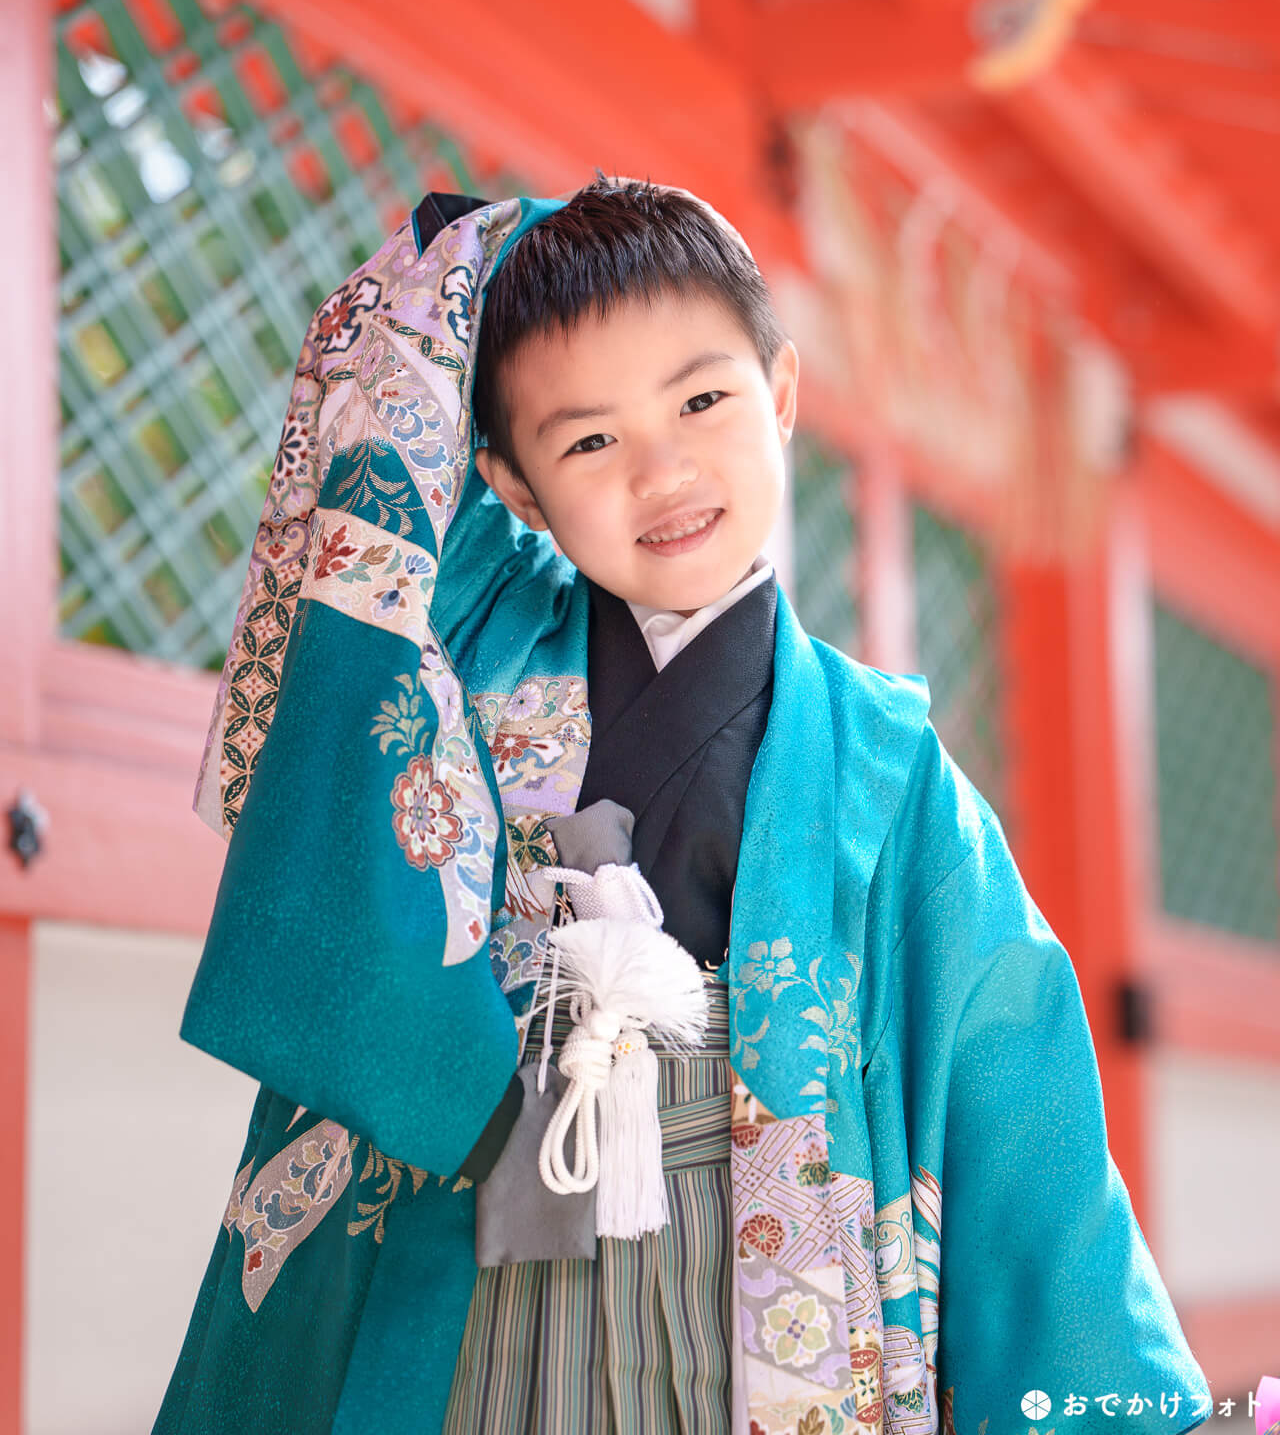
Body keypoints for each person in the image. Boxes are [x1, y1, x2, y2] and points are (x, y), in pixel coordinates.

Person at [155, 175, 1212, 1435]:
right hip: (490, 1204)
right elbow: (366, 516)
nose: (662, 470)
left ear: (780, 395)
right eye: (588, 439)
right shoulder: (470, 637)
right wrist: (477, 252)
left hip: (762, 1266)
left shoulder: (888, 766)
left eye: (703, 400)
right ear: (513, 484)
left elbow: (1011, 1076)